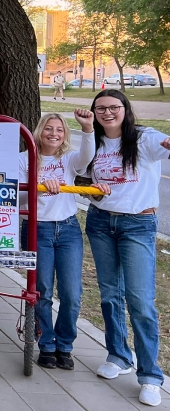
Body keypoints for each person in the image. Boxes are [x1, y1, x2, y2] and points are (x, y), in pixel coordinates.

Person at [85, 90, 169, 406]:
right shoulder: (92, 141)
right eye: (100, 108)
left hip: (138, 225)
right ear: (94, 112)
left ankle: (150, 376)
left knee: (140, 300)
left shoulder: (145, 138)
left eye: (113, 107)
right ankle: (119, 355)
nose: (107, 112)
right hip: (100, 222)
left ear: (125, 109)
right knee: (109, 294)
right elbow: (87, 182)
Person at [20, 111, 103, 371]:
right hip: (38, 228)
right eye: (48, 128)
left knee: (72, 293)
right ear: (39, 131)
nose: (53, 134)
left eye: (59, 129)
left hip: (67, 229)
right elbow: (18, 201)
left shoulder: (68, 159)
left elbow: (86, 158)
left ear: (65, 135)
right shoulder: (25, 160)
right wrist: (39, 185)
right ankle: (46, 344)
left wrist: (88, 127)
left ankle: (65, 344)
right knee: (42, 290)